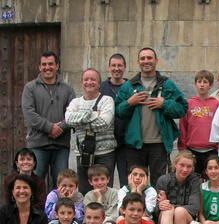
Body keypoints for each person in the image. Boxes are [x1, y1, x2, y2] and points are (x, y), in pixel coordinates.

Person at [115, 47, 188, 185]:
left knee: (159, 184)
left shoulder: (167, 84)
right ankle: (136, 207)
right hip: (135, 145)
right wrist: (130, 103)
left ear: (156, 61)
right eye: (143, 58)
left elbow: (182, 108)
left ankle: (156, 207)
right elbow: (118, 111)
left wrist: (165, 104)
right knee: (135, 185)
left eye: (149, 58)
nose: (146, 61)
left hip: (159, 144)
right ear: (138, 62)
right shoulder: (129, 86)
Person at [21, 51, 75, 188]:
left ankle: (58, 210)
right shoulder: (30, 88)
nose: (47, 67)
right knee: (34, 184)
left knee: (62, 184)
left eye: (51, 64)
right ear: (39, 67)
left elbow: (74, 113)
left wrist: (61, 127)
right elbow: (29, 114)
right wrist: (50, 127)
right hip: (38, 144)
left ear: (57, 66)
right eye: (44, 64)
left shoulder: (67, 89)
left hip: (61, 145)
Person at [65, 67, 116, 193]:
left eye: (93, 79)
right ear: (82, 83)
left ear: (99, 84)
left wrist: (80, 120)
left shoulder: (107, 100)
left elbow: (104, 123)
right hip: (83, 153)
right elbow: (68, 120)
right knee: (85, 191)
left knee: (105, 191)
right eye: (86, 79)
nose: (89, 82)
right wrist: (94, 114)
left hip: (105, 153)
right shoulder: (75, 102)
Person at [177, 70, 219, 177]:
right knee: (192, 179)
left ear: (210, 85)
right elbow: (183, 127)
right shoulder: (189, 103)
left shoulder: (216, 104)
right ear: (195, 84)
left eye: (205, 82)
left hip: (211, 150)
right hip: (192, 150)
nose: (202, 85)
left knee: (210, 178)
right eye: (199, 81)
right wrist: (183, 148)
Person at [155, 151, 202, 224]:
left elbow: (194, 207)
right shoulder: (163, 180)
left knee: (179, 211)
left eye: (189, 166)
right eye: (182, 165)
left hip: (186, 220)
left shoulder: (195, 181)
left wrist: (172, 206)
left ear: (192, 168)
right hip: (165, 221)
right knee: (167, 210)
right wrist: (160, 205)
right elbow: (154, 210)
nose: (185, 169)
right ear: (175, 164)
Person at [100, 53, 129, 186]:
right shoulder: (101, 88)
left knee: (126, 180)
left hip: (127, 142)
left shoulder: (131, 87)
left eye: (119, 65)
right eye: (113, 65)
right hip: (106, 142)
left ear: (125, 68)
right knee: (106, 179)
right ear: (109, 68)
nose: (116, 68)